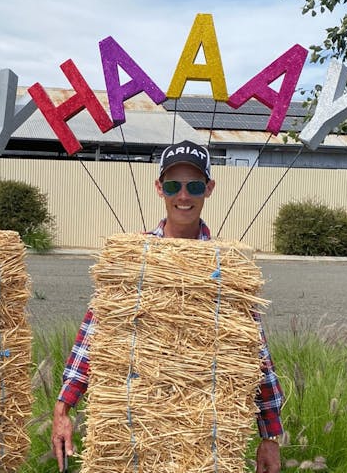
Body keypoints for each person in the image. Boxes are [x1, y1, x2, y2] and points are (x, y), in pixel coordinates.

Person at [51, 140, 284, 473]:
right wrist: (63, 408)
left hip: (203, 434)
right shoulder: (134, 258)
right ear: (160, 188)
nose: (184, 196)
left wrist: (269, 436)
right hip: (133, 429)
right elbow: (96, 333)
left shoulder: (225, 265)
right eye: (174, 185)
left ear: (209, 188)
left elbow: (253, 350)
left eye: (194, 186)